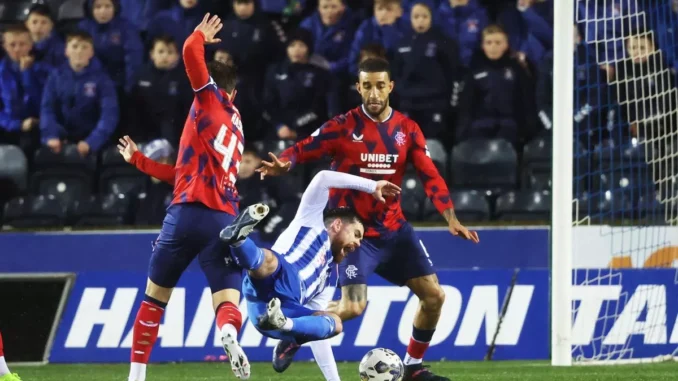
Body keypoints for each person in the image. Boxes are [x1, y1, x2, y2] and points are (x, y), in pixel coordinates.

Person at [258, 57, 480, 381]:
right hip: (356, 237)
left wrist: (450, 217)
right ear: (358, 87)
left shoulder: (407, 130)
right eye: (367, 86)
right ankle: (296, 332)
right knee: (352, 307)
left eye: (380, 85)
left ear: (390, 86)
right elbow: (306, 147)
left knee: (435, 297)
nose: (373, 93)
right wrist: (286, 163)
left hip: (394, 230)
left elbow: (430, 176)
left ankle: (412, 368)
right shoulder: (343, 126)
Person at [117, 14, 250, 381]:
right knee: (227, 296)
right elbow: (180, 174)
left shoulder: (207, 101)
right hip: (223, 218)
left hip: (186, 213)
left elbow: (191, 53)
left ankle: (137, 375)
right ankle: (227, 332)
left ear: (211, 85)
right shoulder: (237, 124)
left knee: (154, 298)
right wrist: (141, 160)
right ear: (235, 94)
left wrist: (199, 36)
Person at [219, 170, 400, 380]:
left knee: (335, 323)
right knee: (269, 261)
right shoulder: (310, 218)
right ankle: (237, 239)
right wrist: (371, 186)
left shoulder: (329, 278)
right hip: (274, 279)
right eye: (357, 234)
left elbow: (317, 332)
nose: (358, 243)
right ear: (337, 224)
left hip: (278, 314)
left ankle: (281, 321)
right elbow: (323, 177)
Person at [40, 30, 119, 157]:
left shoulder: (103, 79)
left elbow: (109, 115)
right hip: (61, 137)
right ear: (66, 51)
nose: (79, 51)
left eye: (84, 47)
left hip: (91, 140)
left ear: (91, 52)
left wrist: (92, 142)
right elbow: (47, 109)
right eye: (75, 46)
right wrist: (51, 135)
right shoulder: (55, 76)